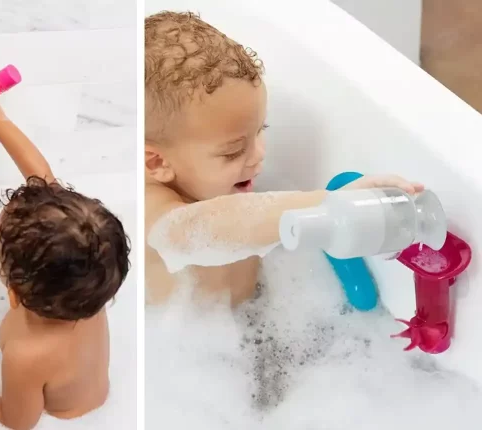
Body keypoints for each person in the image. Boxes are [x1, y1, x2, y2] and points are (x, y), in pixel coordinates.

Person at [143, 11, 423, 307]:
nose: (258, 155)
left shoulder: (212, 177)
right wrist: (328, 203)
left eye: (260, 131)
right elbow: (201, 229)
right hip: (196, 342)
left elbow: (249, 218)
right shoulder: (153, 209)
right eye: (233, 151)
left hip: (260, 315)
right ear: (157, 163)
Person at [0, 84, 131, 429]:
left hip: (66, 419)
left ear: (13, 293)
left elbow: (18, 422)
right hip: (92, 395)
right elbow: (39, 175)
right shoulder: (87, 276)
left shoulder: (27, 355)